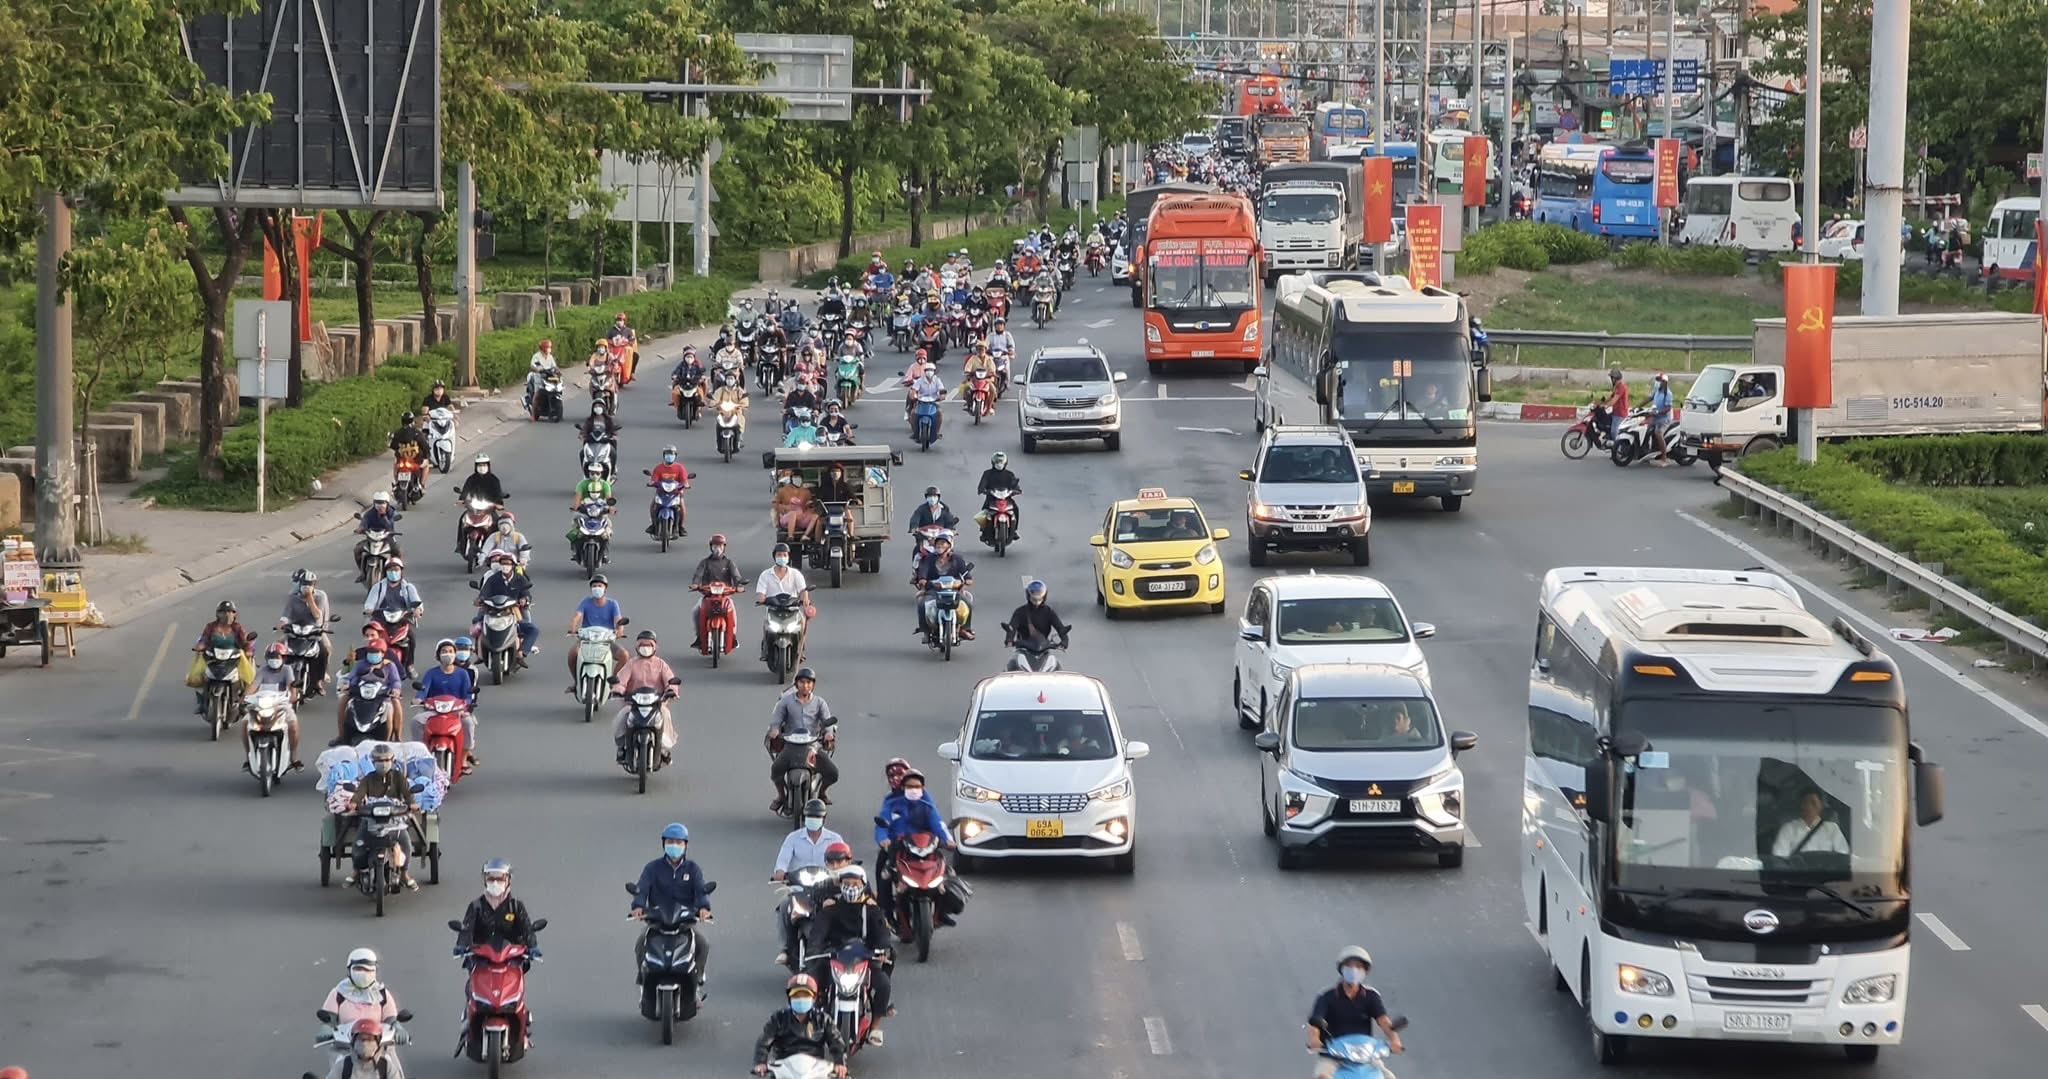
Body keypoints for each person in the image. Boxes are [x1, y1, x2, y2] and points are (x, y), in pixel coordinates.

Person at [802, 864, 892, 1046]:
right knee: (807, 984)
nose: (851, 888)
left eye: (855, 884)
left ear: (863, 885)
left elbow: (882, 934)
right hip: (833, 959)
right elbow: (818, 934)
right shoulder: (830, 910)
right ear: (840, 885)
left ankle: (875, 1027)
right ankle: (808, 1022)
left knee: (883, 985)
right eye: (847, 883)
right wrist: (815, 950)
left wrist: (881, 950)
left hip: (864, 960)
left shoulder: (872, 910)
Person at [632, 823, 715, 1008]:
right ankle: (644, 981)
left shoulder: (693, 869)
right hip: (657, 922)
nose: (674, 846)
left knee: (702, 944)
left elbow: (701, 891)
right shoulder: (652, 868)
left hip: (684, 923)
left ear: (685, 845)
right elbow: (641, 889)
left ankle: (696, 982)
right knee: (640, 944)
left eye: (678, 842)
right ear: (664, 844)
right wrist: (638, 906)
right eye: (670, 842)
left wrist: (704, 908)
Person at [872, 768, 959, 926]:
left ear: (922, 788)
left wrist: (948, 840)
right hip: (900, 848)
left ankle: (942, 912)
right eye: (910, 786)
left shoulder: (927, 805)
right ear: (903, 787)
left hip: (925, 846)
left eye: (917, 786)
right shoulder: (892, 804)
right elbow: (882, 824)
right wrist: (883, 839)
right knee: (885, 874)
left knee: (946, 873)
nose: (914, 790)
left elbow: (938, 824)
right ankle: (886, 912)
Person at [1305, 946, 1404, 1078]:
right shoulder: (1326, 996)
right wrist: (1314, 1040)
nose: (1354, 970)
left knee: (1389, 1077)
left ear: (1365, 970)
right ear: (1341, 968)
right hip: (1333, 1056)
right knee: (1322, 1076)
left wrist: (1395, 1040)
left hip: (1365, 1056)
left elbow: (1383, 1020)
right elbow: (1315, 1024)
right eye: (1349, 966)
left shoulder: (1371, 996)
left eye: (1359, 966)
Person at [766, 667, 840, 811]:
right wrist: (775, 730)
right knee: (776, 771)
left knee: (833, 773)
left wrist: (828, 733)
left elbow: (827, 721)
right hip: (790, 745)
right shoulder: (786, 702)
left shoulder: (819, 702)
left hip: (812, 746)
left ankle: (822, 792)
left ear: (813, 685)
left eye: (808, 682)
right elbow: (776, 720)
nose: (805, 685)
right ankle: (781, 796)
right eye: (802, 682)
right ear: (796, 684)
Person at [347, 742, 418, 891]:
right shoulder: (369, 778)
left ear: (392, 760)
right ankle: (356, 871)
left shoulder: (398, 777)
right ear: (373, 762)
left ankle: (404, 874)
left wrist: (412, 804)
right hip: (371, 818)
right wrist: (353, 803)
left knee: (405, 843)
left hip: (394, 819)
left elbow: (407, 793)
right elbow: (359, 792)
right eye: (379, 760)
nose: (383, 763)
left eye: (386, 760)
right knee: (358, 843)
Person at [750, 974, 850, 1078]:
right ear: (789, 998)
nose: (801, 999)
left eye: (806, 995)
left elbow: (836, 1042)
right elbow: (764, 1042)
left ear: (814, 998)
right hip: (784, 1069)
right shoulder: (778, 1018)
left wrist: (840, 1063)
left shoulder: (823, 1019)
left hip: (816, 1069)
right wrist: (760, 1062)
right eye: (796, 996)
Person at [320, 948, 407, 1057]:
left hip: (379, 1048)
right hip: (346, 1049)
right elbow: (329, 1018)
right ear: (349, 970)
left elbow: (391, 1019)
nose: (364, 973)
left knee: (392, 1064)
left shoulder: (382, 994)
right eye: (358, 968)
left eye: (369, 970)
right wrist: (326, 1027)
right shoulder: (338, 993)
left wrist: (398, 1028)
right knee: (338, 1065)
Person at [611, 629, 679, 766]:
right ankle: (622, 747)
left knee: (665, 715)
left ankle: (664, 749)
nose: (645, 648)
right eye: (642, 645)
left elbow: (670, 680)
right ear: (637, 646)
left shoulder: (661, 664)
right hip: (633, 704)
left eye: (649, 645)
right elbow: (621, 680)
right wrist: (618, 690)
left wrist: (671, 690)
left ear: (654, 647)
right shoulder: (631, 664)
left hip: (656, 704)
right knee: (622, 717)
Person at [413, 639, 481, 773]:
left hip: (456, 711)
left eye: (450, 651)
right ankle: (420, 753)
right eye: (444, 651)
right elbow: (423, 690)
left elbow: (467, 694)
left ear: (455, 654)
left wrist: (466, 706)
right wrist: (418, 698)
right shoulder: (431, 673)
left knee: (468, 723)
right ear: (438, 655)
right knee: (416, 721)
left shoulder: (462, 674)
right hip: (434, 711)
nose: (447, 654)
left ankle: (463, 758)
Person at [453, 858, 542, 953]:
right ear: (485, 881)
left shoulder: (515, 906)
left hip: (512, 957)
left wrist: (533, 946)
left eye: (500, 879)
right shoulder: (476, 906)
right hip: (481, 957)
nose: (495, 883)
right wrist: (461, 945)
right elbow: (467, 929)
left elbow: (526, 929)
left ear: (508, 880)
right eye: (491, 879)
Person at [189, 599, 257, 714]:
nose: (227, 615)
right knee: (200, 676)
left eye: (230, 612)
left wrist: (248, 650)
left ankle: (243, 702)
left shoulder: (237, 628)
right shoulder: (211, 627)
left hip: (233, 659)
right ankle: (202, 703)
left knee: (247, 677)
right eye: (223, 612)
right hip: (214, 658)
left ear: (234, 614)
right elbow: (204, 639)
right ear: (217, 614)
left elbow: (245, 642)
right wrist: (200, 646)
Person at [245, 641, 306, 767]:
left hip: (281, 704)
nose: (274, 659)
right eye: (271, 656)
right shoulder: (262, 670)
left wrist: (293, 695)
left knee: (293, 725)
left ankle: (293, 757)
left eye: (277, 656)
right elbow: (253, 686)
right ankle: (248, 757)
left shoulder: (287, 670)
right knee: (245, 724)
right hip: (261, 704)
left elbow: (291, 685)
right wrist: (245, 698)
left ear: (283, 658)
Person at [471, 551, 540, 660]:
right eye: (503, 563)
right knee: (477, 624)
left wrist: (524, 600)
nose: (505, 566)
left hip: (513, 613)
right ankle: (479, 653)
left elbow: (526, 594)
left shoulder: (520, 579)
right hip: (493, 611)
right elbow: (484, 593)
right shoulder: (493, 579)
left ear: (513, 565)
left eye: (508, 563)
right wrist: (480, 599)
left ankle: (522, 651)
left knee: (533, 630)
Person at [337, 636, 406, 743]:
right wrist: (346, 684)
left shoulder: (389, 666)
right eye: (370, 652)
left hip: (382, 695)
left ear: (382, 653)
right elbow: (350, 676)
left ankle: (394, 737)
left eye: (375, 652)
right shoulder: (361, 664)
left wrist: (396, 689)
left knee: (393, 707)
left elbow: (396, 681)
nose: (372, 655)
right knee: (343, 701)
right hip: (360, 693)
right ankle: (341, 736)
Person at [566, 574, 628, 692]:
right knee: (572, 654)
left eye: (600, 586)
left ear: (605, 588)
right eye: (594, 586)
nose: (597, 588)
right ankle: (576, 682)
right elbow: (576, 617)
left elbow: (618, 620)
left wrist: (620, 631)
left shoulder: (612, 604)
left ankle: (612, 680)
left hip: (606, 640)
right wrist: (572, 629)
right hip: (586, 639)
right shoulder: (586, 602)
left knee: (624, 655)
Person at [756, 543, 817, 661]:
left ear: (788, 557)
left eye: (784, 555)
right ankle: (766, 648)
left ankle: (800, 649)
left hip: (792, 609)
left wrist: (805, 599)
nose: (782, 557)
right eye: (779, 555)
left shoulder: (796, 574)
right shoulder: (765, 575)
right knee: (766, 624)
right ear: (774, 556)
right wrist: (763, 600)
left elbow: (803, 590)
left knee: (803, 623)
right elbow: (761, 595)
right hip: (773, 609)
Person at [361, 556, 424, 668]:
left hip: (402, 620)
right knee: (372, 638)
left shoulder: (408, 587)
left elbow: (417, 602)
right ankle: (369, 662)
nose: (393, 572)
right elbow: (370, 603)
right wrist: (369, 610)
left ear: (401, 571)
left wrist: (417, 610)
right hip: (381, 620)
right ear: (386, 572)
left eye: (396, 569)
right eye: (390, 570)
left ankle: (410, 664)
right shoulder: (378, 587)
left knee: (411, 637)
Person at [278, 570, 333, 695]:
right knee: (278, 648)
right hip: (295, 630)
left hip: (314, 631)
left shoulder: (320, 596)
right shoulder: (293, 597)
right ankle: (278, 676)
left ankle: (318, 680)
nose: (306, 586)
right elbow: (286, 615)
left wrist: (310, 599)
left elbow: (317, 616)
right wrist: (281, 624)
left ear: (314, 585)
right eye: (304, 583)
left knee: (325, 650)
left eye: (309, 584)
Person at [914, 532, 975, 641]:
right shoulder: (929, 558)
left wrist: (966, 581)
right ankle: (926, 631)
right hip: (933, 590)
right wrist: (922, 579)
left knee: (968, 602)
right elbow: (923, 572)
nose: (940, 546)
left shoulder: (957, 559)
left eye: (943, 543)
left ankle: (965, 629)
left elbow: (966, 575)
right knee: (922, 604)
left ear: (949, 545)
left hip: (954, 591)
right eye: (938, 543)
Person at [690, 535, 746, 652]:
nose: (717, 548)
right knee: (695, 612)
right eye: (715, 546)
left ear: (724, 547)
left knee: (733, 614)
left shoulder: (729, 563)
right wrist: (695, 584)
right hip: (708, 596)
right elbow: (698, 575)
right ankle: (699, 637)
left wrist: (739, 586)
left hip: (725, 596)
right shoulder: (705, 562)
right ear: (711, 547)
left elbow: (736, 576)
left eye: (720, 546)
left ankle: (733, 637)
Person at [452, 454, 507, 552]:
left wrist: (498, 504)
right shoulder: (471, 479)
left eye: (484, 465)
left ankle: (498, 546)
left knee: (497, 522)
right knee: (462, 520)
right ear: (476, 466)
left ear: (488, 466)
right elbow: (465, 490)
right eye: (480, 465)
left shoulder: (494, 480)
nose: (482, 467)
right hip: (474, 508)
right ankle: (460, 544)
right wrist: (462, 499)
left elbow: (498, 493)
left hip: (488, 508)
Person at [321, 1017, 406, 1079]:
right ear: (353, 1042)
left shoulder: (386, 1066)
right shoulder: (344, 1065)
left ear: (377, 1042)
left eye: (370, 1039)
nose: (365, 1043)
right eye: (361, 1039)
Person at [1772, 790, 1850, 857]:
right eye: (1805, 802)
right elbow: (1779, 858)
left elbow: (1843, 855)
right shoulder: (1788, 829)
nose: (1809, 806)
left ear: (1821, 806)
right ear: (1800, 805)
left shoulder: (1832, 828)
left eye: (1813, 803)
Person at [1004, 579, 1070, 650]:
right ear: (1028, 596)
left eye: (1039, 599)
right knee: (1016, 658)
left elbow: (1060, 627)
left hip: (1043, 648)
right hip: (1023, 648)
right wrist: (1009, 639)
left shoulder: (1049, 612)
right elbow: (1012, 627)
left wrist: (1064, 641)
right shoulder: (1020, 612)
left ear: (1044, 597)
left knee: (1053, 658)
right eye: (1034, 599)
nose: (1036, 602)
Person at [352, 493, 402, 583]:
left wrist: (383, 516)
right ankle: (362, 573)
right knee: (357, 550)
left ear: (387, 503)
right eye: (377, 502)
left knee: (397, 552)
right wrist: (360, 529)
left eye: (382, 502)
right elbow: (364, 522)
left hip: (387, 538)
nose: (380, 505)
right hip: (372, 538)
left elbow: (389, 526)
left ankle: (399, 575)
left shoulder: (391, 513)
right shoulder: (369, 513)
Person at [566, 460, 614, 549]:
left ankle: (605, 549)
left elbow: (609, 499)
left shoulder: (605, 485)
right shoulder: (582, 484)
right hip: (584, 509)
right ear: (588, 473)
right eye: (592, 473)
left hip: (600, 510)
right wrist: (576, 507)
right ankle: (574, 546)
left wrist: (610, 509)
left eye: (597, 473)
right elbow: (578, 498)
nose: (595, 475)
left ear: (601, 474)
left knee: (608, 526)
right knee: (575, 524)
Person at [974, 451, 1022, 540]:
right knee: (984, 511)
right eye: (997, 462)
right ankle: (984, 531)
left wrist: (1016, 490)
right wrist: (983, 490)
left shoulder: (1009, 474)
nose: (999, 464)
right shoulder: (987, 473)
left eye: (1001, 462)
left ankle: (1014, 530)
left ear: (1005, 463)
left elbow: (1015, 485)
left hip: (1006, 499)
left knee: (1016, 509)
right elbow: (982, 485)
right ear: (993, 462)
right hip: (991, 499)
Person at [646, 445, 691, 537]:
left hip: (676, 493)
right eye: (667, 454)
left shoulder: (680, 468)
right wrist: (651, 483)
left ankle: (680, 527)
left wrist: (685, 485)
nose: (669, 456)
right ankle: (653, 525)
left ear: (675, 456)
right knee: (653, 506)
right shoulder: (658, 468)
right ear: (664, 455)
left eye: (672, 454)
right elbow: (654, 480)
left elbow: (684, 480)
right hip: (661, 493)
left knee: (682, 506)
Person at [773, 471, 820, 544]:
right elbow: (775, 503)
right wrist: (785, 507)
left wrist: (809, 506)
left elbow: (809, 506)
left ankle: (805, 535)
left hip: (801, 517)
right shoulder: (783, 490)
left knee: (815, 516)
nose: (797, 479)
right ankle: (790, 536)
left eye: (799, 477)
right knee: (793, 514)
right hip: (787, 517)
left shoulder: (806, 492)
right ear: (791, 479)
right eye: (795, 477)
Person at [906, 363, 949, 438]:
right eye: (927, 370)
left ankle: (937, 432)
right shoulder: (920, 380)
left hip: (934, 401)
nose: (929, 372)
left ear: (934, 371)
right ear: (925, 371)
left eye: (931, 370)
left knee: (939, 413)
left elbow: (942, 390)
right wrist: (913, 395)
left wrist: (942, 396)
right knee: (913, 413)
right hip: (921, 401)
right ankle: (915, 433)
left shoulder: (937, 380)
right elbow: (914, 390)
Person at [388, 413, 428, 492]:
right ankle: (422, 485)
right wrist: (426, 456)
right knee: (426, 465)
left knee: (395, 465)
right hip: (416, 460)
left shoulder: (398, 432)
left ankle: (396, 483)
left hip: (401, 460)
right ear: (412, 421)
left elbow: (393, 446)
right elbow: (424, 446)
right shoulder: (417, 433)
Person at [709, 377, 749, 444]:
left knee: (740, 420)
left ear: (735, 380)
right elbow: (714, 399)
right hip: (723, 412)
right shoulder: (721, 390)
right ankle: (718, 441)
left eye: (731, 378)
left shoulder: (739, 390)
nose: (729, 380)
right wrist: (715, 404)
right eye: (728, 378)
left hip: (736, 412)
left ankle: (740, 436)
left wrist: (740, 405)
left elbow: (744, 400)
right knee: (718, 423)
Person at [1648, 371, 1675, 465]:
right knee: (1646, 430)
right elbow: (1649, 399)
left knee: (1658, 433)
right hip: (1655, 417)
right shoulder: (1656, 391)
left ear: (1664, 382)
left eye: (1659, 380)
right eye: (1657, 380)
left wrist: (1658, 412)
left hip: (1664, 419)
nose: (1657, 382)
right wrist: (1637, 407)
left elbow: (1668, 408)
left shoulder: (1668, 394)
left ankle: (1664, 457)